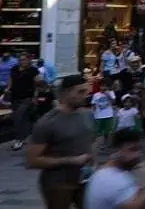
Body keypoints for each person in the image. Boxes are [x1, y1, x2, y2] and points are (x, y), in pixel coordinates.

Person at [26, 74, 94, 209]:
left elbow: (90, 142)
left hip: (85, 180)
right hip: (58, 183)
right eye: (80, 92)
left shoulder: (87, 114)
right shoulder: (47, 122)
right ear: (66, 93)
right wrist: (70, 160)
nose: (86, 95)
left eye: (87, 91)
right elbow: (32, 160)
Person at [84, 129, 145, 209]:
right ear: (117, 151)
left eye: (139, 149)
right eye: (132, 150)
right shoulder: (114, 179)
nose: (137, 155)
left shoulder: (106, 171)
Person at [6, 52, 40, 150]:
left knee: (18, 116)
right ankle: (26, 136)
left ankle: (19, 139)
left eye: (24, 59)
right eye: (20, 59)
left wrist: (35, 96)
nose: (21, 61)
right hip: (15, 96)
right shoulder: (14, 69)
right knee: (23, 118)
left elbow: (37, 83)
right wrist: (8, 88)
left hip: (27, 97)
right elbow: (11, 80)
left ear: (29, 60)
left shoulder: (33, 70)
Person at [92, 78, 116, 150]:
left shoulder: (111, 93)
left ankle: (106, 144)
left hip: (108, 115)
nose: (103, 87)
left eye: (105, 86)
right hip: (99, 116)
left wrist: (108, 94)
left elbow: (114, 102)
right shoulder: (96, 95)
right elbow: (93, 105)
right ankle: (99, 144)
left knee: (108, 130)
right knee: (98, 131)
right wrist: (93, 114)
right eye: (102, 86)